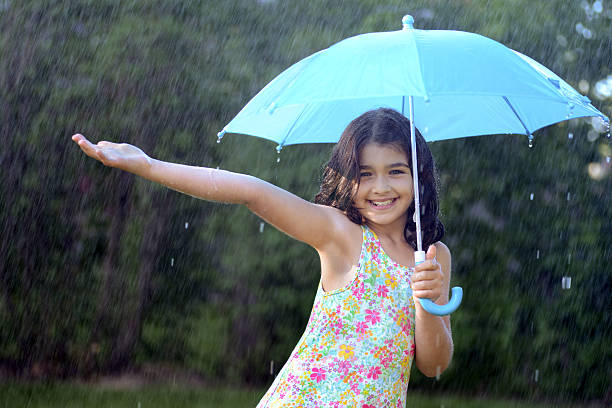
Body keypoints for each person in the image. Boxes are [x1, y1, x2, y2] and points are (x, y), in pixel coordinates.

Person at [72, 107, 453, 407]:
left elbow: (433, 364)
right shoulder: (343, 233)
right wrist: (150, 166)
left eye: (396, 171)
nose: (381, 187)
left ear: (419, 176)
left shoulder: (434, 257)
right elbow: (252, 192)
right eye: (365, 174)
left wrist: (425, 303)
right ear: (345, 179)